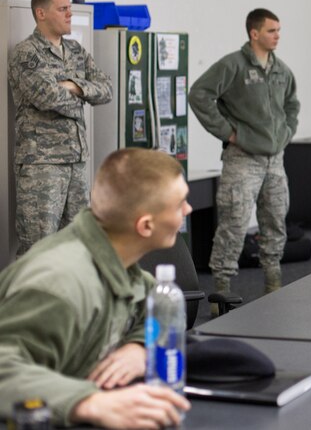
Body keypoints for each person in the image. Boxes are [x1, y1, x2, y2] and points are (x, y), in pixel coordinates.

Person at [0, 148, 192, 428]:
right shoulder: (60, 285)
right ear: (146, 225)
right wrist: (90, 402)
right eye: (180, 204)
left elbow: (162, 307)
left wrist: (139, 348)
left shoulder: (119, 261)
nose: (188, 209)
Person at [189, 8, 300, 298]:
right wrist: (228, 133)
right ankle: (221, 292)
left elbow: (292, 107)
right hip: (243, 160)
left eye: (278, 31)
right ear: (254, 33)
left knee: (275, 221)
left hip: (275, 161)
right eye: (271, 31)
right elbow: (199, 94)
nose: (277, 36)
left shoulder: (282, 71)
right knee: (234, 224)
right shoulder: (233, 65)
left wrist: (286, 134)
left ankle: (273, 285)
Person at [8, 0, 113, 256]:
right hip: (42, 166)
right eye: (62, 9)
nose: (70, 14)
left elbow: (108, 89)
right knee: (39, 249)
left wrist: (74, 86)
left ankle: (68, 299)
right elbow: (49, 98)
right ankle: (33, 300)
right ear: (41, 13)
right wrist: (84, 94)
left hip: (76, 162)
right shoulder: (27, 54)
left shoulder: (76, 51)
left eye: (70, 8)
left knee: (78, 245)